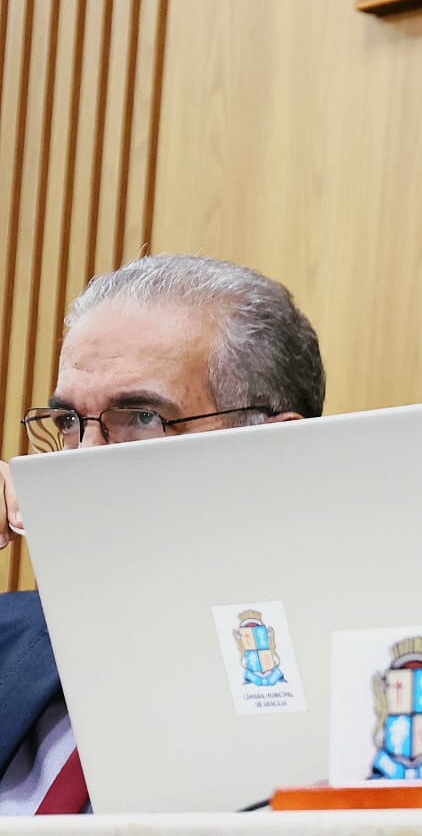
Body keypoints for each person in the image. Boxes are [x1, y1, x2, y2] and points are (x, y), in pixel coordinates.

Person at [0, 254, 324, 814]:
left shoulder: (371, 674)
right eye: (70, 422)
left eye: (142, 417)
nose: (83, 460)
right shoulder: (10, 637)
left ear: (273, 451)